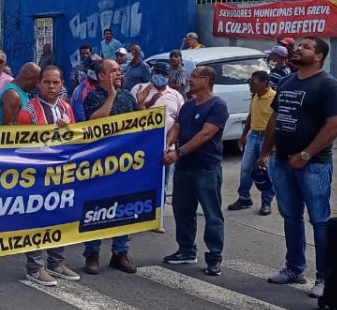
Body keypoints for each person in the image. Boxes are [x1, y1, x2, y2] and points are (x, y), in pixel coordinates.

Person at [258, 37, 337, 299]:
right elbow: (275, 118)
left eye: (306, 47)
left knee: (319, 220)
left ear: (319, 56)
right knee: (290, 216)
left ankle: (324, 277)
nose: (298, 49)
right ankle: (294, 268)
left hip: (313, 166)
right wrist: (264, 153)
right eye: (298, 46)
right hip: (282, 161)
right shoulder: (287, 81)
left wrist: (307, 154)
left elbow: (334, 125)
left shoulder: (329, 85)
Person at [162, 66, 229, 276]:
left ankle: (214, 256)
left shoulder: (217, 105)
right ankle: (186, 250)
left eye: (194, 77)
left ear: (207, 80)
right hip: (184, 168)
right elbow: (178, 127)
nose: (190, 80)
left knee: (212, 214)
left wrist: (179, 152)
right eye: (190, 77)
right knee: (183, 211)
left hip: (206, 167)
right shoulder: (188, 105)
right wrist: (169, 143)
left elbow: (205, 134)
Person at [18, 65, 81, 286]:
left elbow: (74, 140)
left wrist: (67, 130)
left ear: (62, 84)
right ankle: (34, 267)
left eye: (56, 82)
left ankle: (56, 262)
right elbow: (23, 147)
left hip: (62, 175)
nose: (52, 86)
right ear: (39, 83)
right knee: (36, 220)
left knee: (60, 218)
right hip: (37, 177)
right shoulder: (29, 111)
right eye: (47, 82)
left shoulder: (66, 107)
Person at [80, 58, 138, 275]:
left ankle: (120, 252)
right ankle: (92, 253)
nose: (118, 73)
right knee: (96, 207)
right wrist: (111, 96)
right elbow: (94, 122)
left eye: (119, 70)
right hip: (99, 165)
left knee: (124, 207)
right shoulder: (93, 97)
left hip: (125, 165)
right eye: (113, 71)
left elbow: (139, 125)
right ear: (102, 76)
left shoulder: (128, 96)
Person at [132, 64, 185, 226]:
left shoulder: (175, 95)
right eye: (156, 73)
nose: (159, 76)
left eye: (163, 74)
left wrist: (172, 145)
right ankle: (135, 217)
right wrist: (143, 102)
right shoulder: (139, 89)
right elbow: (131, 117)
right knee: (138, 183)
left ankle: (156, 219)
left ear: (168, 77)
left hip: (166, 148)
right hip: (141, 148)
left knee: (162, 183)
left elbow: (179, 122)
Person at [228, 71, 277, 215]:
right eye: (250, 81)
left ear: (265, 83)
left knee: (265, 172)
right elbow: (251, 115)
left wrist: (273, 145)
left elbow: (278, 121)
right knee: (245, 169)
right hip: (253, 136)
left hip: (266, 138)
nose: (250, 84)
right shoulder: (255, 95)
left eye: (254, 81)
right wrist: (243, 135)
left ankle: (266, 202)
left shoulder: (274, 97)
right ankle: (244, 197)